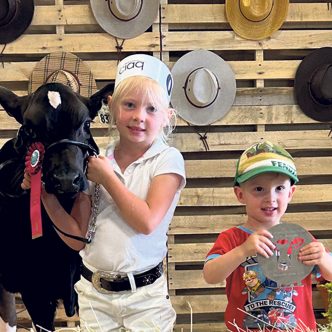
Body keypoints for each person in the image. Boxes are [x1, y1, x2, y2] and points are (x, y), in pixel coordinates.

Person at [23, 54, 186, 331]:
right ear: (111, 107)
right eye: (130, 105)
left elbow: (146, 222)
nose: (139, 117)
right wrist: (44, 194)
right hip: (95, 296)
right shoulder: (97, 160)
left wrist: (107, 178)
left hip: (145, 299)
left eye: (151, 109)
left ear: (167, 116)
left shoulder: (166, 160)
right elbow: (77, 237)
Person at [203, 141, 332, 331]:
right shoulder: (232, 238)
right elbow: (210, 275)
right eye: (258, 189)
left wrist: (322, 258)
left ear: (290, 193)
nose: (270, 198)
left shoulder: (299, 238)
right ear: (240, 194)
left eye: (279, 188)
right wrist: (242, 251)